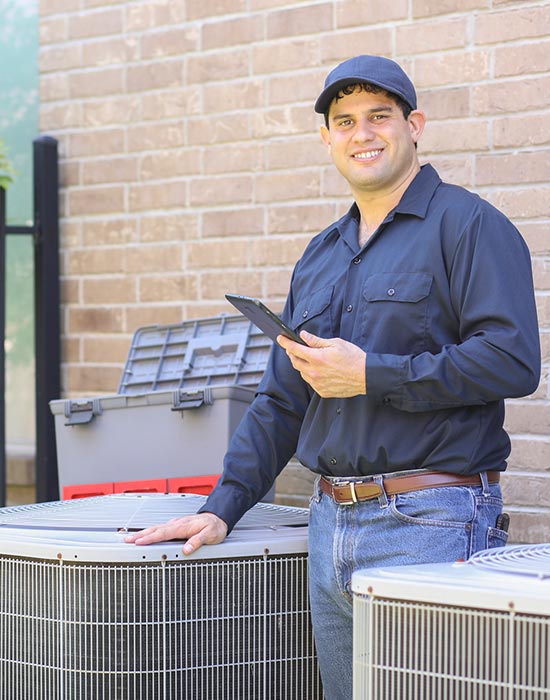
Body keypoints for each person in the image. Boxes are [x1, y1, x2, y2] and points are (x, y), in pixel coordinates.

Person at [125, 55, 541, 700]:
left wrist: (372, 374)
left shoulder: (470, 226)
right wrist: (222, 508)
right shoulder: (321, 254)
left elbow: (513, 361)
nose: (362, 133)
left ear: (415, 125)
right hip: (330, 525)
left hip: (431, 520)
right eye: (343, 121)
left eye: (380, 115)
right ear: (327, 139)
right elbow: (282, 399)